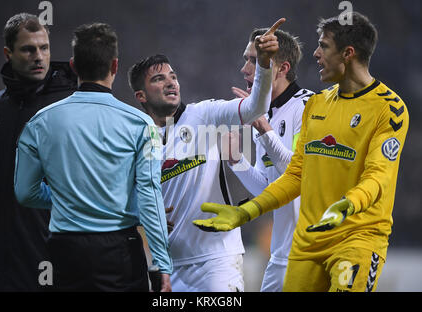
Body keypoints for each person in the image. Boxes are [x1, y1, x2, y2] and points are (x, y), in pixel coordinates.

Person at [194, 12, 409, 292]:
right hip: (298, 248)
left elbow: (377, 175)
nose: (316, 54)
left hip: (355, 239)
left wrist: (348, 204)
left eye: (324, 46)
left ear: (348, 53)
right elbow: (292, 176)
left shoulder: (381, 107)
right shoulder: (318, 105)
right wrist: (243, 199)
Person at [128, 18, 285, 291]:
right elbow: (123, 197)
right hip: (168, 268)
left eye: (173, 76)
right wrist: (139, 212)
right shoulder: (135, 140)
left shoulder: (204, 115)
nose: (170, 83)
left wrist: (264, 64)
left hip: (216, 263)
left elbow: (255, 106)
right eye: (158, 79)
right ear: (141, 96)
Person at [14, 22, 172, 292]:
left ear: (74, 66)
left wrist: (66, 196)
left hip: (65, 251)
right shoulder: (141, 124)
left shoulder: (40, 122)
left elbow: (24, 192)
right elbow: (149, 195)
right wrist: (162, 263)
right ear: (115, 66)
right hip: (119, 251)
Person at [0, 13, 76, 291]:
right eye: (29, 49)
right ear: (8, 53)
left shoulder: (71, 107)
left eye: (44, 48)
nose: (39, 57)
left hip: (51, 262)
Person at [227, 28, 313, 292]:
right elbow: (267, 189)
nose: (244, 69)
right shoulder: (265, 115)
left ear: (281, 68)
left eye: (254, 60)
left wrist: (265, 130)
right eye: (247, 59)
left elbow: (302, 176)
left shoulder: (310, 107)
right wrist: (236, 161)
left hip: (311, 254)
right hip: (281, 255)